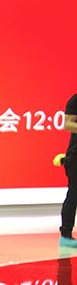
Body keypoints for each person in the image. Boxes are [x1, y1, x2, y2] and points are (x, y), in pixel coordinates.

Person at [59, 93, 77, 248]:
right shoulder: (75, 100)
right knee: (74, 194)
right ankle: (66, 235)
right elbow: (68, 124)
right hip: (76, 157)